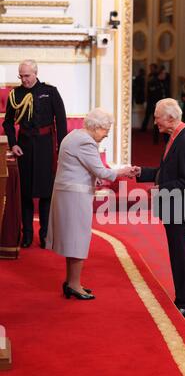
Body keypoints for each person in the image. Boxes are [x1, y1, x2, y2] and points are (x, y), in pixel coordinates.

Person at [46, 108, 135, 300]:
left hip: (69, 193)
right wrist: (124, 171)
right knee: (78, 239)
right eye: (106, 129)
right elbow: (102, 171)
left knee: (73, 239)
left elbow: (83, 168)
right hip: (74, 196)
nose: (107, 134)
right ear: (96, 127)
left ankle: (71, 282)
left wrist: (98, 178)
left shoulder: (74, 136)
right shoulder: (86, 141)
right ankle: (74, 284)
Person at [135, 98, 185, 318]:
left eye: (157, 118)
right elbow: (168, 171)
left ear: (171, 118)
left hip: (181, 207)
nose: (155, 122)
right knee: (177, 254)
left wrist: (159, 189)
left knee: (181, 255)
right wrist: (141, 173)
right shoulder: (175, 137)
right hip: (174, 205)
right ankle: (182, 297)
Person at [2, 59, 67, 249]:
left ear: (35, 73)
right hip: (24, 146)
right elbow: (7, 123)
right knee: (26, 192)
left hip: (46, 146)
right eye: (21, 76)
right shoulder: (16, 94)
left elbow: (61, 121)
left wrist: (61, 147)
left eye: (27, 76)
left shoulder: (50, 92)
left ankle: (45, 235)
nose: (24, 80)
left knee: (46, 193)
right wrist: (13, 144)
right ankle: (27, 235)